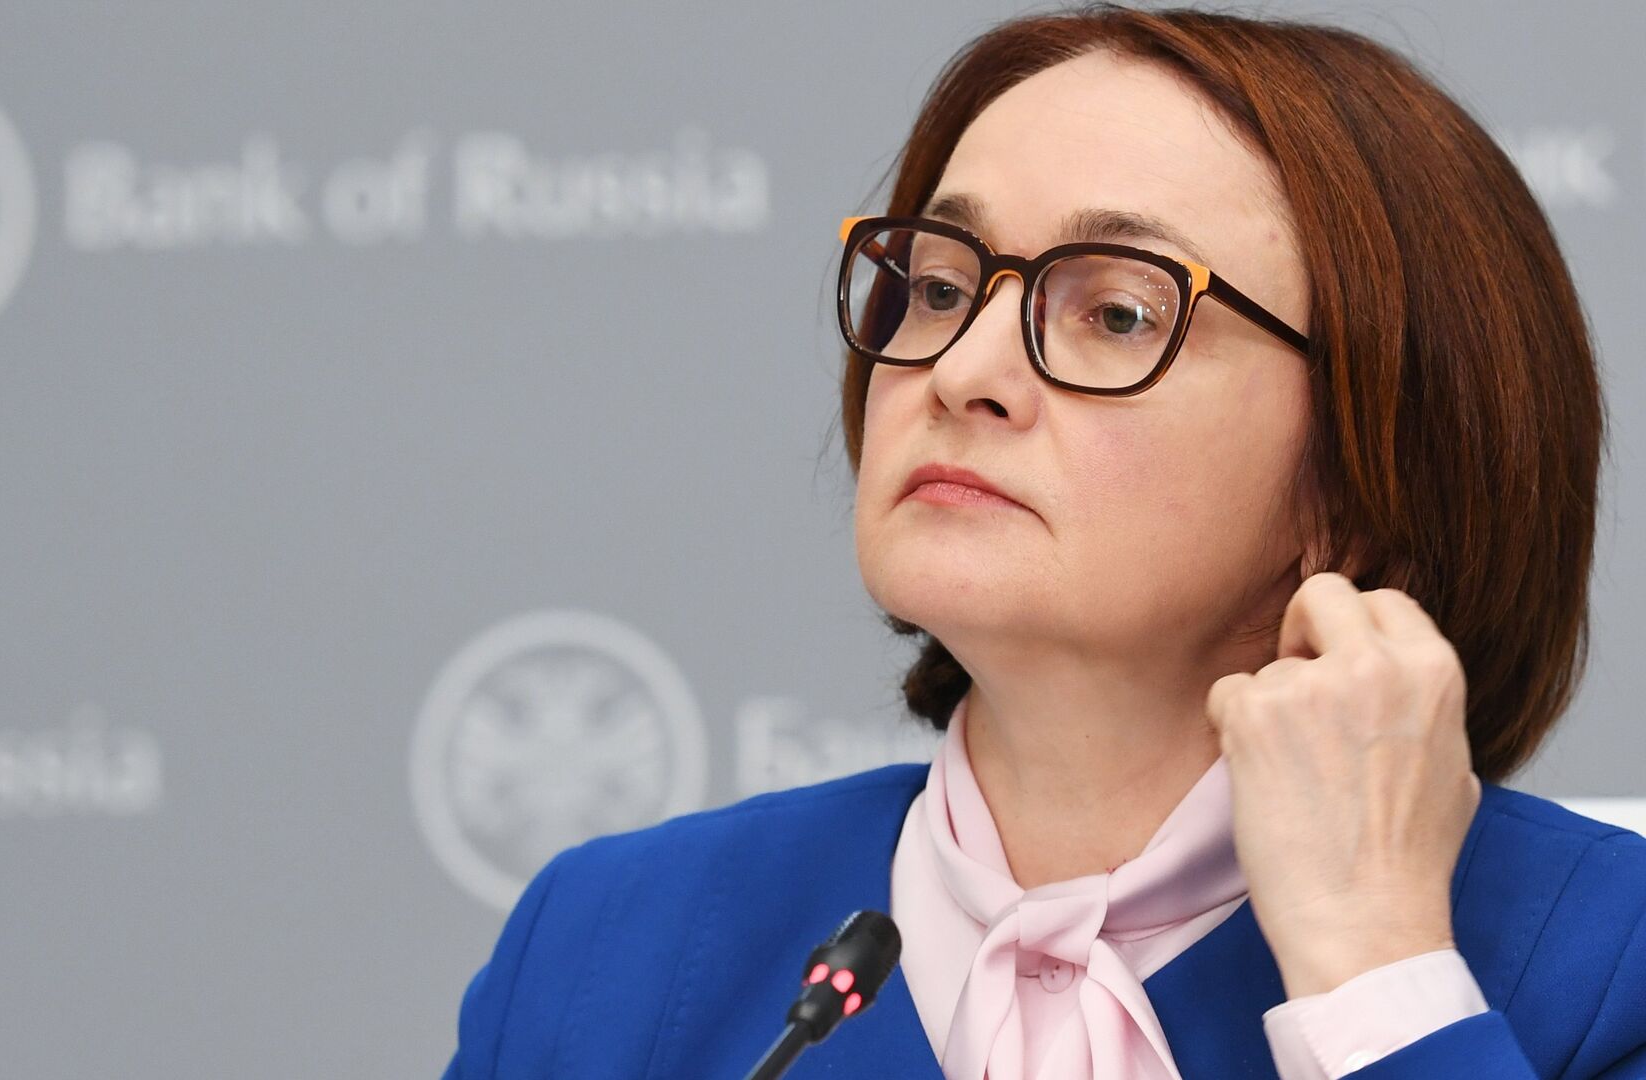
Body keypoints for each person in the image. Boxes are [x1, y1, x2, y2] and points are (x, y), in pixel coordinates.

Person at [441, 4, 1644, 1077]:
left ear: (1370, 465)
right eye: (941, 288)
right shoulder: (607, 949)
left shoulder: (1607, 965)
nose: (961, 371)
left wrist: (1378, 975)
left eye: (1115, 313)